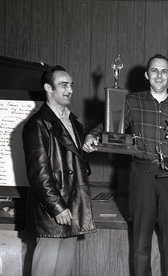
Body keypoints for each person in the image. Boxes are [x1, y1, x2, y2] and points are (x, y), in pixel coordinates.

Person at [83, 54, 168, 276]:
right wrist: (91, 136)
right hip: (142, 174)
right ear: (146, 75)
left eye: (164, 71)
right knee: (140, 242)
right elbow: (111, 125)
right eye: (154, 70)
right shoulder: (132, 101)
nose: (159, 76)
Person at [22, 65, 96, 276]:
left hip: (73, 206)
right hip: (53, 211)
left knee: (63, 270)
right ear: (48, 88)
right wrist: (57, 208)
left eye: (71, 85)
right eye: (63, 85)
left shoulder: (74, 123)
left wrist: (86, 147)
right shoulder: (37, 124)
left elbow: (72, 162)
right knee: (45, 270)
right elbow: (39, 174)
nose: (70, 90)